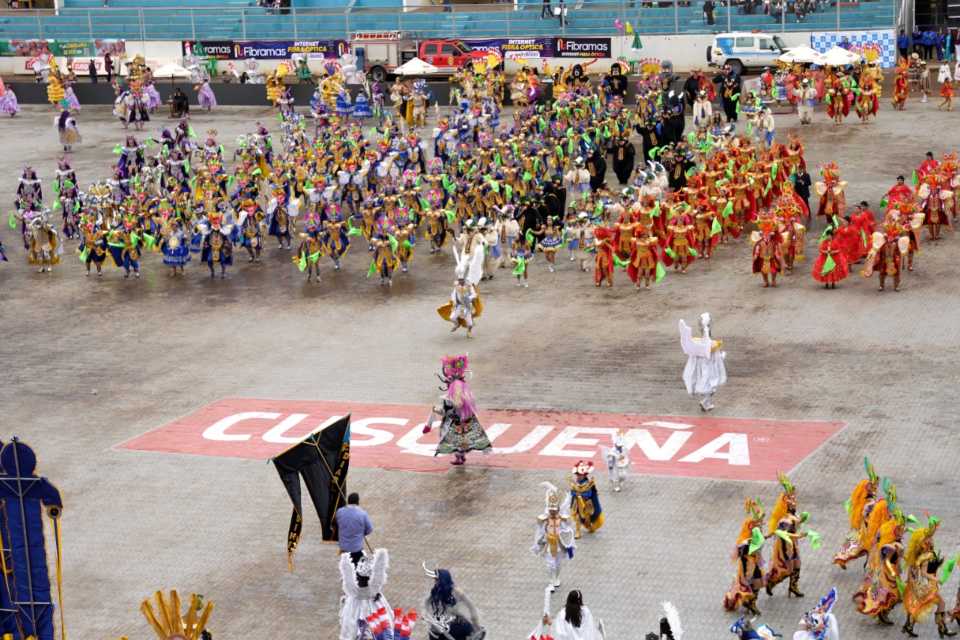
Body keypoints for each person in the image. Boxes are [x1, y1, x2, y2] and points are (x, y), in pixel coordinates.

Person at [423, 354, 492, 466]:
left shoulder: (456, 385)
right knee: (459, 438)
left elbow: (458, 403)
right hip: (461, 416)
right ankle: (460, 456)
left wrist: (452, 403)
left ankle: (459, 456)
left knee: (454, 436)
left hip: (457, 417)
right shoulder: (459, 384)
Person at [338, 548, 392, 640]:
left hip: (355, 610)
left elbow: (347, 579)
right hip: (374, 610)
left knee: (353, 630)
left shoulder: (354, 591)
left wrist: (345, 559)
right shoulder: (373, 589)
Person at [532, 481, 576, 594]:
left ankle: (556, 578)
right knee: (550, 564)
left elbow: (568, 528)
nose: (552, 511)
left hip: (559, 543)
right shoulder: (545, 518)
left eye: (554, 509)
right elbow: (540, 530)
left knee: (558, 563)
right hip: (549, 542)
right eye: (550, 509)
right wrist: (540, 540)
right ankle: (550, 581)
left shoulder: (562, 518)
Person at [678, 312, 726, 412]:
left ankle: (705, 402)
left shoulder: (700, 344)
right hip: (708, 368)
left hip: (703, 367)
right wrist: (721, 356)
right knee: (711, 386)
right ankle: (705, 402)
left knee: (711, 386)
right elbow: (713, 353)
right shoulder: (710, 345)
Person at [422, 566, 483, 640]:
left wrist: (475, 623)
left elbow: (471, 606)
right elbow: (426, 606)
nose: (435, 582)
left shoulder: (456, 591)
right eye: (435, 580)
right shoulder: (435, 592)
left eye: (437, 580)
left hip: (454, 626)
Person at [334, 492, 373, 564]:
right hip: (356, 548)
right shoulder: (362, 514)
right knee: (358, 567)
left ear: (348, 501)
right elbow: (369, 529)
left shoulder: (339, 512)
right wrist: (361, 532)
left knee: (347, 568)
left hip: (343, 547)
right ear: (358, 502)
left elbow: (338, 523)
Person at [569, 461, 604, 538]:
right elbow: (572, 493)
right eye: (577, 475)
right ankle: (578, 531)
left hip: (587, 504)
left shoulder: (588, 484)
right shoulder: (575, 483)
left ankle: (590, 527)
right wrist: (576, 494)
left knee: (587, 517)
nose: (578, 476)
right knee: (578, 516)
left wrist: (581, 494)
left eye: (580, 475)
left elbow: (589, 494)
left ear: (584, 475)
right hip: (577, 503)